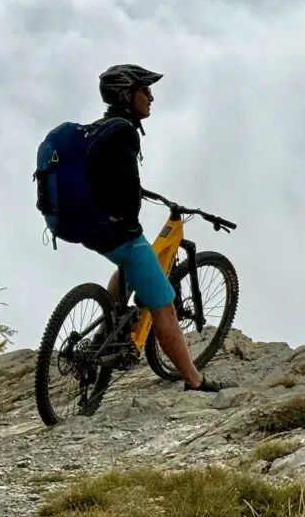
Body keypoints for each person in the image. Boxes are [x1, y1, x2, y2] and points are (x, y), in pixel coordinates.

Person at [83, 64, 224, 393]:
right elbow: (127, 185)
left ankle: (103, 335)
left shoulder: (98, 130)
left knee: (128, 262)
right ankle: (194, 380)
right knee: (163, 304)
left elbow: (106, 178)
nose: (151, 97)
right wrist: (128, 218)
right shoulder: (124, 132)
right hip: (111, 229)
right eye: (145, 90)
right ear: (125, 95)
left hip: (83, 226)